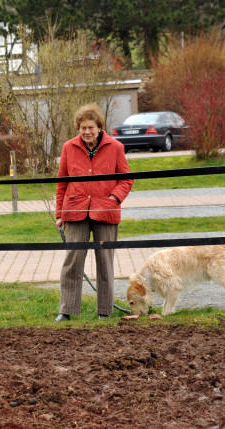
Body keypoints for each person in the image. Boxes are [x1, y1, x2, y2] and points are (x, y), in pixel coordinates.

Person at [54, 103, 133, 322]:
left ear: (99, 126)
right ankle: (66, 309)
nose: (87, 132)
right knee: (73, 259)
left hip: (105, 211)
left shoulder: (115, 147)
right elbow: (61, 183)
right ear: (78, 129)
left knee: (105, 260)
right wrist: (60, 214)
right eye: (82, 128)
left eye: (91, 127)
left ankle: (105, 310)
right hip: (75, 210)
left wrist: (113, 198)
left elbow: (126, 179)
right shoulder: (69, 147)